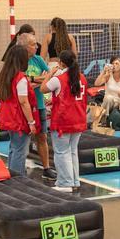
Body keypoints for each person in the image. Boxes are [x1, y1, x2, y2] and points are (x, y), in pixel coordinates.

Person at [42, 49, 87, 191]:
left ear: (61, 63)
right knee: (72, 151)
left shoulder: (58, 79)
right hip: (78, 119)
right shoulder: (82, 78)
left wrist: (49, 74)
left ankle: (65, 183)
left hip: (63, 121)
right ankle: (74, 181)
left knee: (62, 152)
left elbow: (43, 89)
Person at [0, 44, 39, 176]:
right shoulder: (20, 77)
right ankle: (17, 178)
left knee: (14, 148)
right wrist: (31, 122)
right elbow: (23, 101)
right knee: (19, 150)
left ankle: (11, 174)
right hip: (18, 119)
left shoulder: (5, 75)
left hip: (9, 117)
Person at [22, 26, 55, 180]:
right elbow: (20, 80)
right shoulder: (19, 60)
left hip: (39, 104)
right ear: (25, 46)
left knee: (42, 137)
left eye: (36, 44)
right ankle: (18, 168)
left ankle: (46, 168)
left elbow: (50, 76)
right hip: (23, 105)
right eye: (33, 44)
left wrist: (34, 80)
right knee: (21, 137)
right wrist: (35, 80)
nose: (36, 47)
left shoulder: (39, 60)